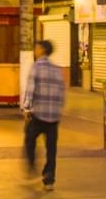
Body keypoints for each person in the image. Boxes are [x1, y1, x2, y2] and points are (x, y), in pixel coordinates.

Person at [23, 40, 65, 192]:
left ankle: (32, 166)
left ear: (41, 50)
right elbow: (62, 91)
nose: (35, 50)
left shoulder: (37, 67)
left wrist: (27, 108)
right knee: (51, 148)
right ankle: (49, 179)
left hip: (39, 114)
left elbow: (30, 89)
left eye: (36, 48)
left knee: (29, 139)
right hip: (54, 116)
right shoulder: (56, 69)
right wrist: (58, 110)